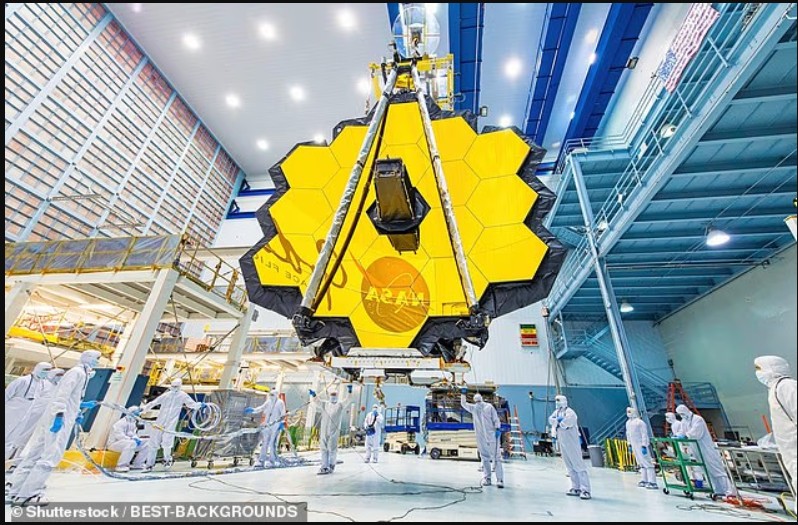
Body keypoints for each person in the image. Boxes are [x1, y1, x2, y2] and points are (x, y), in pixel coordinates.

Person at [7, 351, 101, 507]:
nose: (98, 361)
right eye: (97, 358)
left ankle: (15, 492)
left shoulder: (81, 374)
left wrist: (77, 410)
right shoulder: (77, 373)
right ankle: (29, 494)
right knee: (50, 457)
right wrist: (59, 415)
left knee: (34, 455)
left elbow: (70, 398)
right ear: (89, 358)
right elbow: (62, 396)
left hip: (58, 418)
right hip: (59, 420)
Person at [754, 356, 796, 511]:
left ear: (771, 368)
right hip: (790, 451)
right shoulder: (775, 389)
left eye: (759, 369)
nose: (757, 373)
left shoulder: (787, 386)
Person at [140, 378, 203, 470]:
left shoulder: (182, 395)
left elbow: (191, 404)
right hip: (160, 421)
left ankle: (167, 460)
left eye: (176, 386)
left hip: (171, 422)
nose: (174, 388)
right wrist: (143, 409)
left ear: (180, 386)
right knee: (153, 442)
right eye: (173, 386)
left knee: (167, 442)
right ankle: (149, 464)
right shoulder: (166, 395)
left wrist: (199, 405)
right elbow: (154, 402)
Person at [7, 367, 64, 462]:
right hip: (31, 414)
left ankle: (15, 461)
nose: (60, 378)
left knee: (27, 440)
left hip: (41, 418)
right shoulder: (43, 383)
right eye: (58, 375)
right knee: (17, 436)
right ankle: (9, 457)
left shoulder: (57, 388)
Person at [675, 404, 733, 497]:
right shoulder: (684, 421)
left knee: (716, 469)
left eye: (682, 413)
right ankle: (717, 490)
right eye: (680, 414)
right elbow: (682, 431)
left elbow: (696, 433)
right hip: (696, 449)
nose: (681, 415)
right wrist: (677, 435)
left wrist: (686, 435)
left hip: (706, 448)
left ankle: (729, 491)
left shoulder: (698, 419)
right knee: (706, 470)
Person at [549, 394, 591, 500]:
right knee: (569, 466)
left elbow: (566, 423)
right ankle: (575, 487)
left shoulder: (570, 412)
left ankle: (585, 490)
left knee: (578, 465)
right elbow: (551, 420)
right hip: (563, 442)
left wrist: (558, 422)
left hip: (572, 442)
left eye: (558, 401)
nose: (557, 403)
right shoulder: (557, 412)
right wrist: (557, 421)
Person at [461, 389, 504, 488]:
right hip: (481, 437)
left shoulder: (488, 407)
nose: (478, 403)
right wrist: (463, 394)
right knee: (485, 458)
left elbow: (495, 419)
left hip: (492, 436)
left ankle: (499, 480)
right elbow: (464, 404)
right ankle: (487, 479)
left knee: (496, 458)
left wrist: (497, 428)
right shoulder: (474, 408)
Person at [310, 385, 352, 475]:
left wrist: (349, 391)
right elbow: (317, 401)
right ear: (329, 395)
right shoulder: (325, 404)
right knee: (323, 448)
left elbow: (348, 400)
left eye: (334, 394)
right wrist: (314, 395)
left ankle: (331, 465)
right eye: (332, 394)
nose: (333, 396)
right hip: (324, 430)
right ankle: (324, 466)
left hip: (334, 431)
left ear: (337, 395)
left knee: (332, 448)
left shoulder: (340, 405)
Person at [245, 390, 286, 468]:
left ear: (276, 395)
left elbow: (283, 414)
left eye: (272, 395)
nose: (271, 396)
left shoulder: (280, 403)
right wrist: (253, 410)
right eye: (270, 395)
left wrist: (281, 423)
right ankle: (261, 460)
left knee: (272, 443)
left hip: (275, 425)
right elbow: (261, 408)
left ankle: (272, 460)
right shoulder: (268, 402)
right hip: (267, 424)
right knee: (265, 443)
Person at [107, 406, 147, 472]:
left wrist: (136, 439)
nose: (137, 415)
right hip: (114, 444)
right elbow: (119, 436)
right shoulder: (120, 423)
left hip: (128, 443)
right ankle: (121, 466)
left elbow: (133, 434)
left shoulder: (133, 423)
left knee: (148, 443)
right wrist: (131, 439)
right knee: (131, 443)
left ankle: (138, 464)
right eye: (136, 413)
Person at [625, 407, 656, 489]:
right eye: (627, 412)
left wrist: (644, 445)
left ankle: (652, 481)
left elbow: (644, 434)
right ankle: (644, 480)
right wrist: (629, 444)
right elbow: (628, 434)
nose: (628, 413)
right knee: (640, 463)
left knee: (647, 462)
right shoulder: (628, 423)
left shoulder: (640, 422)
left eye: (630, 412)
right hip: (634, 445)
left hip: (640, 444)